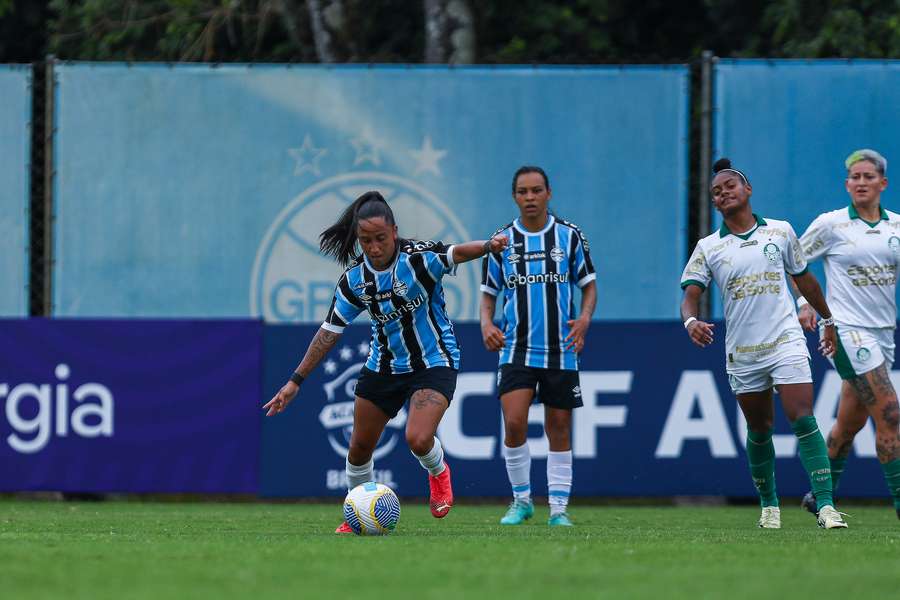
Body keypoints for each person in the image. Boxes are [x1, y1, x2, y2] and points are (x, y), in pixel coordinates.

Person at [264, 190, 508, 533]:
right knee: (359, 447)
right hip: (384, 366)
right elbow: (329, 332)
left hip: (434, 360)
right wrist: (295, 381)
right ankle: (355, 513)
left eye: (380, 238)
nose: (374, 247)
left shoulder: (418, 260)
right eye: (366, 241)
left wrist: (488, 246)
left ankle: (438, 473)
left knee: (418, 439)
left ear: (394, 231)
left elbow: (456, 253)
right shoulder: (354, 281)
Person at [681, 157, 847, 529]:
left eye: (730, 187)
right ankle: (769, 506)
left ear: (748, 190)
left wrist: (828, 319)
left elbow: (804, 280)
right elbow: (690, 295)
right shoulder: (709, 247)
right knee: (759, 429)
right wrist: (691, 321)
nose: (723, 194)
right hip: (743, 351)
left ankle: (825, 506)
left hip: (784, 340)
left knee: (803, 416)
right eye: (716, 192)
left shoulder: (781, 232)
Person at [480, 166, 597, 527]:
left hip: (560, 349)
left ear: (549, 193)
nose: (529, 198)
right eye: (522, 192)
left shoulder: (570, 237)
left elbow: (589, 285)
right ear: (514, 197)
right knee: (514, 422)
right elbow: (488, 294)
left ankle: (559, 511)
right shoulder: (501, 241)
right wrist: (486, 323)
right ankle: (521, 502)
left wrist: (584, 320)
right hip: (516, 348)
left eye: (536, 191)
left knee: (558, 428)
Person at [795, 149, 900, 520]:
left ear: (882, 183)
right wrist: (803, 304)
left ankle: (820, 493)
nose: (860, 183)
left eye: (868, 176)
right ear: (847, 184)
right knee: (890, 413)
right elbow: (794, 261)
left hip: (883, 334)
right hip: (845, 331)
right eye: (854, 177)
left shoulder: (896, 227)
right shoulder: (831, 225)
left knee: (850, 422)